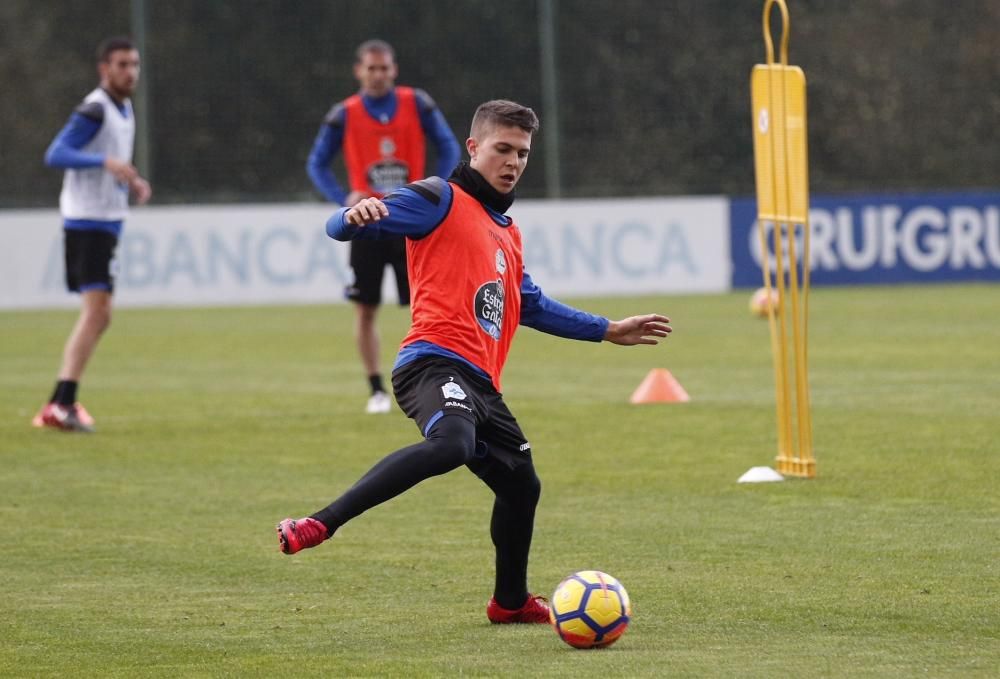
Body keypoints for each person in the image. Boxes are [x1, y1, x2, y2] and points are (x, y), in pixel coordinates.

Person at [278, 100, 671, 624]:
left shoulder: (507, 231)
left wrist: (607, 329)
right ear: (473, 148)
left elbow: (528, 304)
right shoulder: (439, 197)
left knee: (522, 485)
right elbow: (340, 226)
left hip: (479, 380)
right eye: (502, 149)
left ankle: (508, 602)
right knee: (453, 445)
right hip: (431, 363)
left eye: (523, 153)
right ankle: (319, 524)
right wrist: (351, 216)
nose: (512, 162)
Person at [307, 39, 460, 414]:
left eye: (384, 68)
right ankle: (376, 390)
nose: (378, 75)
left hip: (411, 221)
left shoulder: (417, 103)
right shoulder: (344, 113)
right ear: (359, 71)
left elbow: (450, 148)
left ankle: (438, 380)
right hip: (368, 225)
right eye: (370, 68)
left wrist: (435, 191)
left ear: (394, 70)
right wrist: (344, 198)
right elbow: (317, 163)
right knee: (366, 309)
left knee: (430, 306)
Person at [32, 36, 151, 433]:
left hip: (105, 221)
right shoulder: (95, 108)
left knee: (100, 315)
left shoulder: (123, 108)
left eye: (134, 64)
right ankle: (61, 404)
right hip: (87, 223)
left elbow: (112, 162)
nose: (129, 72)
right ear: (104, 69)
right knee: (97, 313)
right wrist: (106, 162)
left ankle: (61, 401)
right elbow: (56, 153)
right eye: (121, 65)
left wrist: (129, 179)